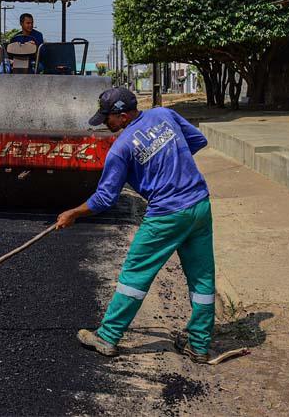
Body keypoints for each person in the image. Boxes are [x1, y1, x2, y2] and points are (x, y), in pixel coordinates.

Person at [55, 87, 215, 364]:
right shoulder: (165, 114)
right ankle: (199, 344)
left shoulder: (122, 147)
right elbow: (197, 140)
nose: (105, 123)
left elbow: (105, 198)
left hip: (166, 214)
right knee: (202, 276)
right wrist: (169, 163)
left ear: (124, 115)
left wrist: (74, 213)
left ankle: (107, 336)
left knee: (135, 275)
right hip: (199, 205)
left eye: (108, 117)